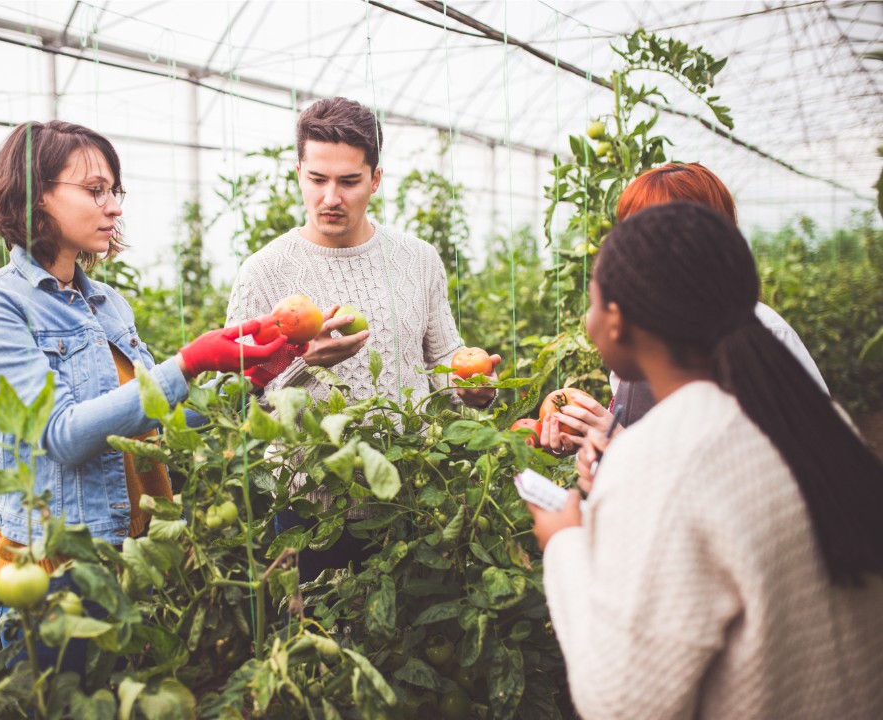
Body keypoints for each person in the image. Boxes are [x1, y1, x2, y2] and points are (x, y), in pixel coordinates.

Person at [0, 120, 289, 670]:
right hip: (55, 569)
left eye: (115, 191)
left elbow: (159, 423)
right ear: (36, 195)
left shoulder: (107, 303)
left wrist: (252, 377)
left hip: (133, 553)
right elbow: (61, 436)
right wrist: (189, 362)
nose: (113, 207)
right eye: (95, 190)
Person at [528, 202, 883, 718]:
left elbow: (623, 703)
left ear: (617, 321)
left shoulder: (662, 455)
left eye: (593, 301)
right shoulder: (819, 421)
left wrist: (563, 542)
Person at [225, 97, 498, 583]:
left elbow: (443, 356)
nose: (331, 197)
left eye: (349, 181)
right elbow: (241, 398)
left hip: (409, 496)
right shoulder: (263, 273)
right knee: (313, 626)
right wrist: (306, 363)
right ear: (299, 174)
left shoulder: (417, 260)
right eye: (317, 179)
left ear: (375, 179)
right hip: (309, 507)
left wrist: (471, 387)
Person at [542, 163, 827, 467]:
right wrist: (591, 441)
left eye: (653, 231)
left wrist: (623, 447)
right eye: (628, 228)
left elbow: (801, 465)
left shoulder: (764, 334)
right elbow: (639, 431)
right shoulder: (642, 331)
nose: (631, 246)